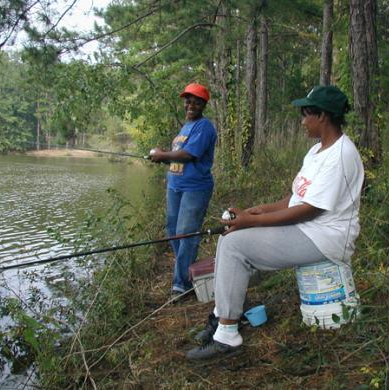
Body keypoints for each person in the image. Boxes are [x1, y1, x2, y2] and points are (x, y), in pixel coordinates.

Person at [186, 85, 364, 360]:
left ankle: (227, 335)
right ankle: (222, 315)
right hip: (306, 229)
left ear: (324, 117)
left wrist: (251, 223)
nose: (302, 122)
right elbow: (296, 198)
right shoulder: (317, 151)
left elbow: (308, 211)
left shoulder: (342, 155)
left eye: (306, 115)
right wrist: (256, 212)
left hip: (325, 238)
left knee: (235, 245)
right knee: (228, 237)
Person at [149, 83, 218, 300]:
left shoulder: (204, 127)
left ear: (203, 104)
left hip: (195, 188)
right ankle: (187, 271)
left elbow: (189, 155)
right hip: (175, 187)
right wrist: (163, 159)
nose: (191, 104)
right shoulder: (185, 127)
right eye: (188, 100)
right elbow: (178, 157)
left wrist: (163, 154)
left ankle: (181, 284)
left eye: (196, 101)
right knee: (173, 231)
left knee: (186, 233)